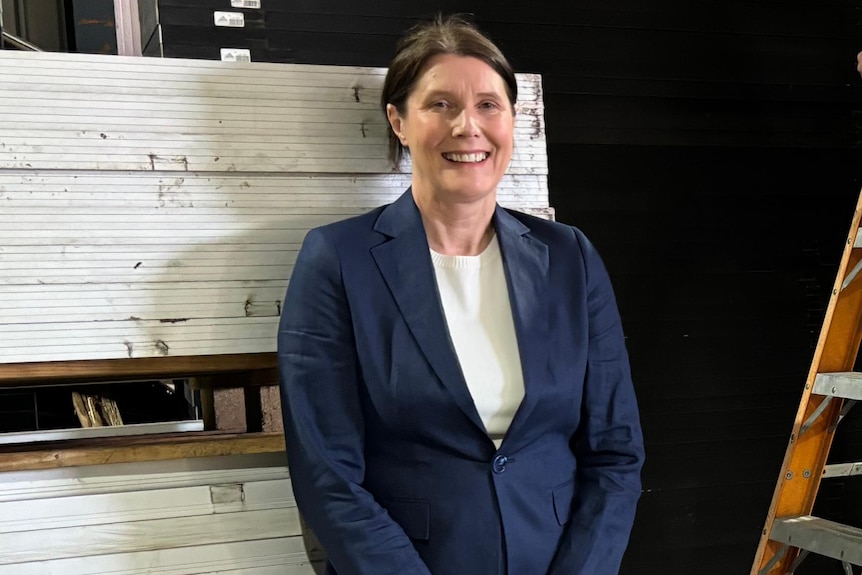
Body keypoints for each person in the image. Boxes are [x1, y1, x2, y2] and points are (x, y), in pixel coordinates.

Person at [278, 14, 644, 575]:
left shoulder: (569, 256)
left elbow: (615, 452)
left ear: (512, 121)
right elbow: (326, 473)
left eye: (488, 105)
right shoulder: (338, 260)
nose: (467, 127)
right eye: (441, 105)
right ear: (398, 121)